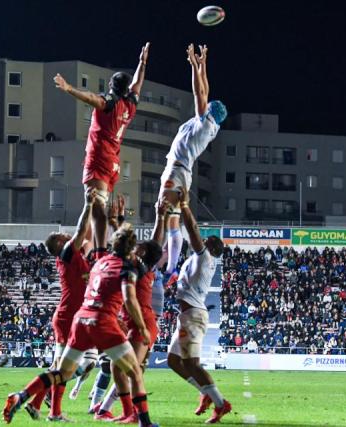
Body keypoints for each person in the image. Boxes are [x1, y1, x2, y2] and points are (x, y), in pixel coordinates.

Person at [4, 227, 158, 427]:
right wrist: (142, 328)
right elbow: (129, 298)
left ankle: (22, 395)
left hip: (80, 318)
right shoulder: (127, 267)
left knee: (63, 373)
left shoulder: (100, 263)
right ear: (130, 248)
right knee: (135, 373)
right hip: (102, 321)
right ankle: (145, 422)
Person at [52, 42, 149, 251]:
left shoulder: (109, 103)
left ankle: (99, 253)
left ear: (112, 86)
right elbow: (138, 84)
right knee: (95, 210)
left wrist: (69, 88)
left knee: (97, 210)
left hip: (99, 158)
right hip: (113, 160)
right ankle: (92, 250)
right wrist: (142, 63)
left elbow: (90, 98)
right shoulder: (130, 104)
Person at [23, 189, 96, 421]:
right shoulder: (65, 252)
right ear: (57, 243)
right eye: (58, 234)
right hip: (68, 317)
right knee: (72, 366)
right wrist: (88, 203)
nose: (62, 233)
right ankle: (46, 407)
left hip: (74, 317)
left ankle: (38, 404)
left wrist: (97, 206)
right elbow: (82, 231)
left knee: (69, 366)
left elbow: (89, 235)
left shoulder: (76, 256)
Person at [163, 192, 232, 424]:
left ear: (211, 248)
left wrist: (184, 206)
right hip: (186, 314)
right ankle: (205, 392)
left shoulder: (205, 258)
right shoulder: (195, 260)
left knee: (192, 364)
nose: (205, 241)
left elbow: (192, 230)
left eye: (209, 241)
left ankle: (221, 403)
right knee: (173, 361)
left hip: (193, 314)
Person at [159, 44, 226, 279]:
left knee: (165, 218)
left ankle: (167, 269)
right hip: (180, 171)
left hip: (176, 171)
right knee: (172, 221)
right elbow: (205, 91)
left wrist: (193, 66)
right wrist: (202, 63)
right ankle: (171, 268)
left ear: (209, 111)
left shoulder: (203, 123)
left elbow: (200, 93)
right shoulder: (210, 124)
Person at [94, 238, 164, 422]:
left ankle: (135, 414)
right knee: (117, 368)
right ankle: (128, 412)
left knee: (129, 370)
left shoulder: (139, 269)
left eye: (138, 247)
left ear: (142, 253)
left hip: (142, 325)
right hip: (135, 324)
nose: (133, 248)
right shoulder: (139, 267)